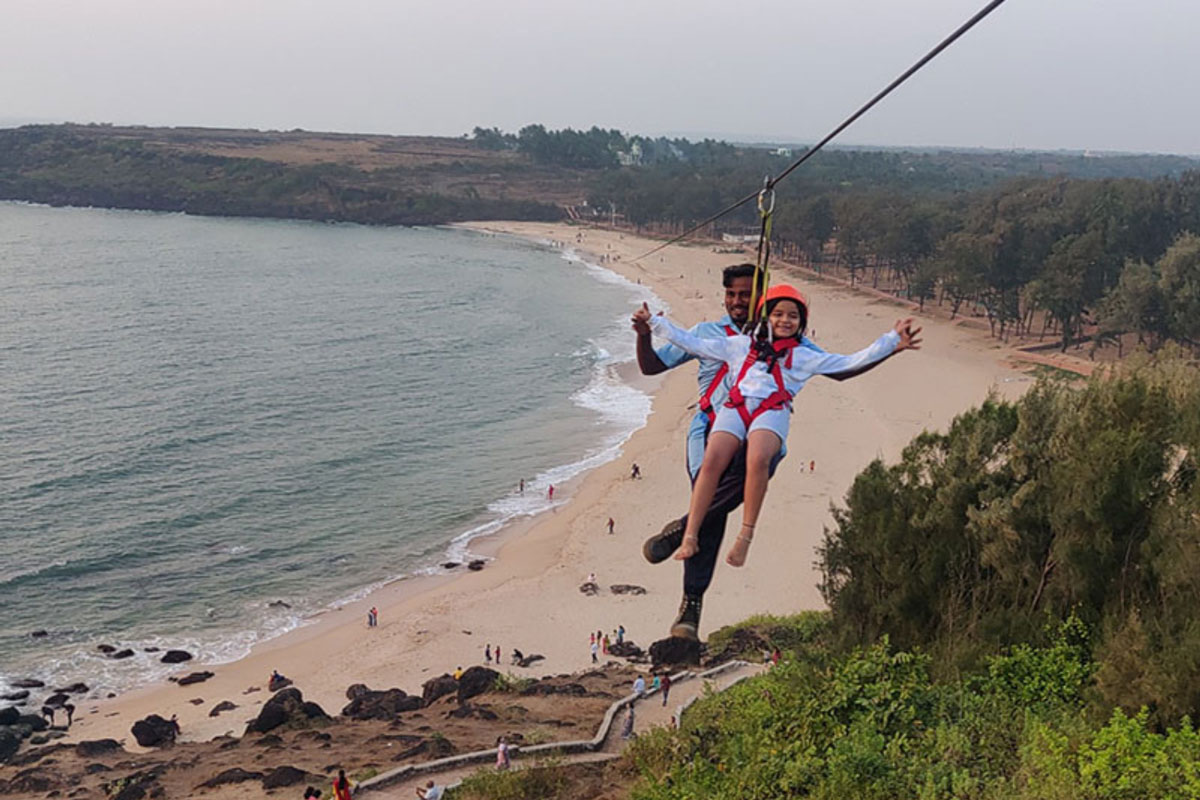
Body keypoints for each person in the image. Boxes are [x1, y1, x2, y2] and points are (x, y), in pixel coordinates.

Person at [632, 264, 914, 639]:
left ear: (761, 299)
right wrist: (644, 334)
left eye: (746, 295)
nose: (737, 301)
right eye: (731, 294)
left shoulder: (794, 342)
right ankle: (691, 601)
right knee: (712, 493)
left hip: (762, 427)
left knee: (742, 476)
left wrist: (891, 348)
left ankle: (684, 531)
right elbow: (651, 366)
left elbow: (841, 368)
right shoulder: (710, 333)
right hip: (714, 424)